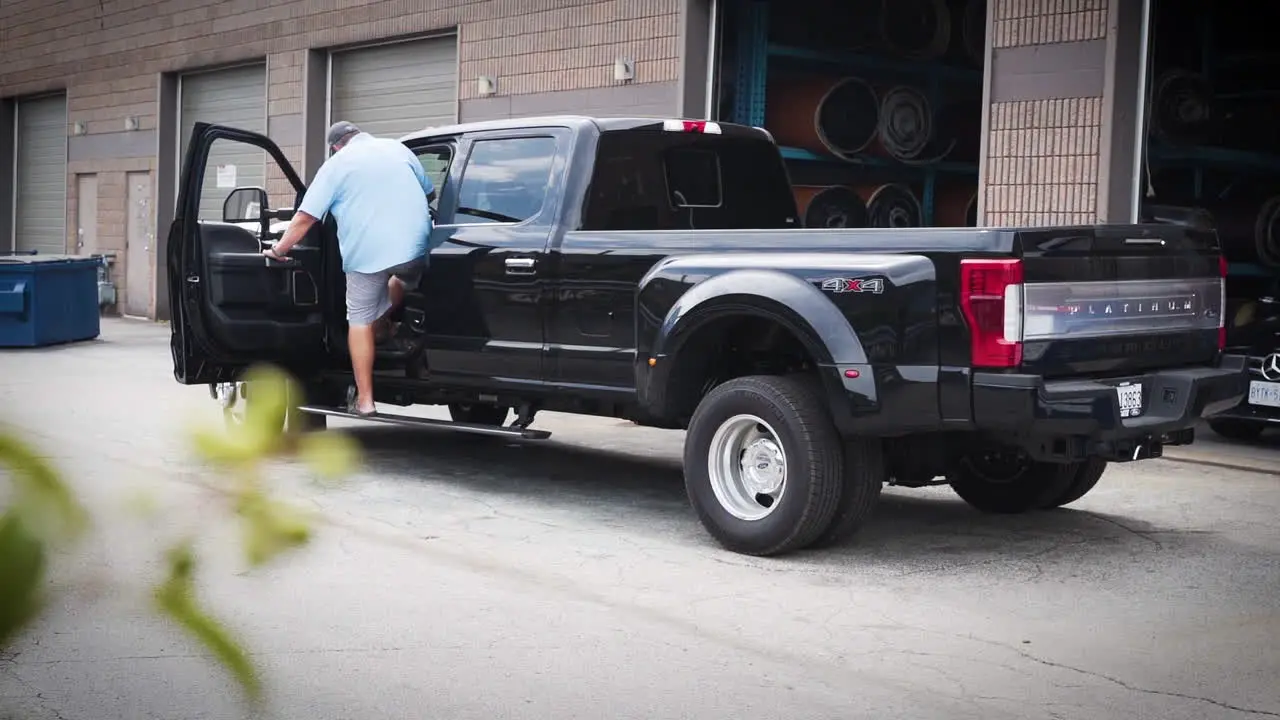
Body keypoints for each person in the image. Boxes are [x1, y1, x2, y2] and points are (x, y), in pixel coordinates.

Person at [265, 120, 433, 417]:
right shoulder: (399, 149)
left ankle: (366, 400)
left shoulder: (337, 164)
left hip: (366, 253)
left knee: (358, 320)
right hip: (415, 248)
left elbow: (306, 218)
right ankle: (383, 325)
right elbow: (429, 194)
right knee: (401, 280)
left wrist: (279, 249)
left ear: (335, 147)